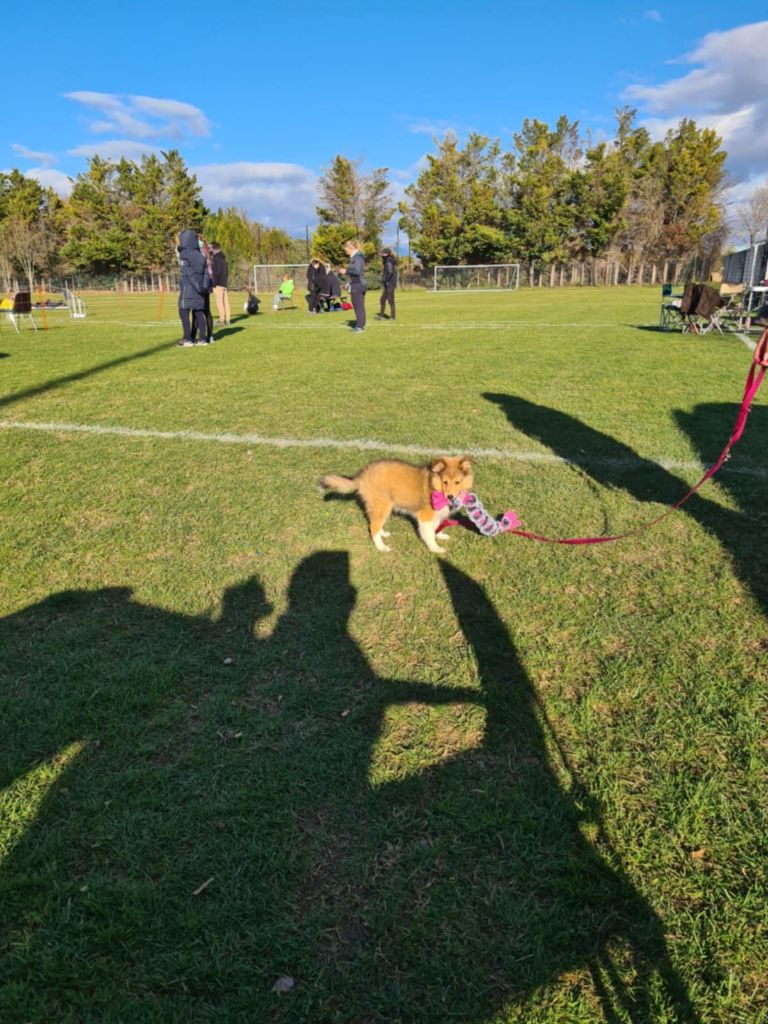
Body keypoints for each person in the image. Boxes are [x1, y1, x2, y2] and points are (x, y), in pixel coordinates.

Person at [176, 229, 211, 347]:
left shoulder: (184, 255)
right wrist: (203, 287)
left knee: (183, 311)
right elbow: (207, 274)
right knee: (199, 312)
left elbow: (188, 272)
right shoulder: (202, 256)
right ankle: (202, 338)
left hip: (188, 289)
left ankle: (187, 338)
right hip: (200, 289)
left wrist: (197, 286)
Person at [343, 239, 366, 332]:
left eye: (346, 250)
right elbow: (354, 273)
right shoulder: (355, 257)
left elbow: (357, 271)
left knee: (358, 306)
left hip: (358, 285)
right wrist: (349, 282)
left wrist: (346, 271)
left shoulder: (357, 257)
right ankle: (360, 325)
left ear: (350, 248)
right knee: (357, 305)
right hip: (355, 284)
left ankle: (360, 326)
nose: (346, 252)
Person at [209, 241, 230, 325]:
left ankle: (222, 320)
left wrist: (214, 284)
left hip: (218, 284)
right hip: (224, 283)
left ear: (214, 248)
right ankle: (227, 319)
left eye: (210, 247)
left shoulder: (216, 259)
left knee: (219, 303)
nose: (209, 249)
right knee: (226, 302)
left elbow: (216, 272)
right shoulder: (223, 258)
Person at [375, 246, 397, 321]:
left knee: (391, 299)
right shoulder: (387, 261)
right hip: (388, 283)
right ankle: (381, 316)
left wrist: (386, 280)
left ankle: (392, 317)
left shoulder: (389, 261)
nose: (381, 255)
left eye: (383, 254)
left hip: (390, 283)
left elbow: (390, 272)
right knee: (382, 299)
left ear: (387, 254)